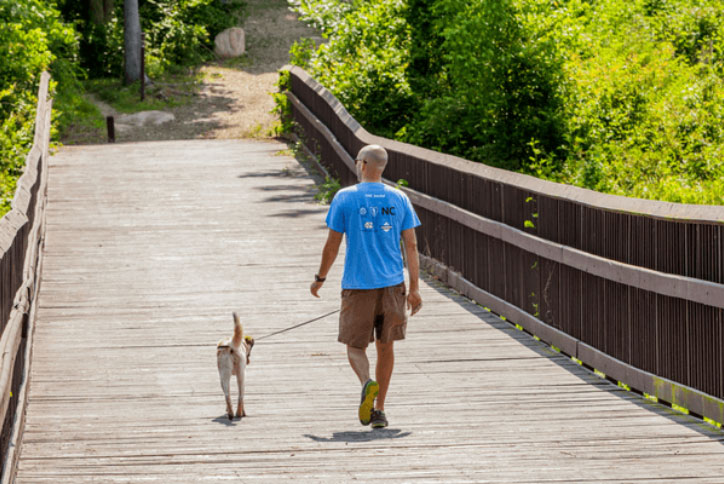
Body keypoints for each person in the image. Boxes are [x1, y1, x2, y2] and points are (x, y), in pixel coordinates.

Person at [310, 144, 422, 429]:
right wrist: (415, 288)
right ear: (382, 167)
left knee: (354, 346)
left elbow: (332, 245)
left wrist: (320, 277)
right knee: (386, 347)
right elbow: (411, 245)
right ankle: (380, 411)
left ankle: (366, 381)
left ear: (362, 164)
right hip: (393, 285)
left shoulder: (345, 197)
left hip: (358, 285)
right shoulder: (399, 198)